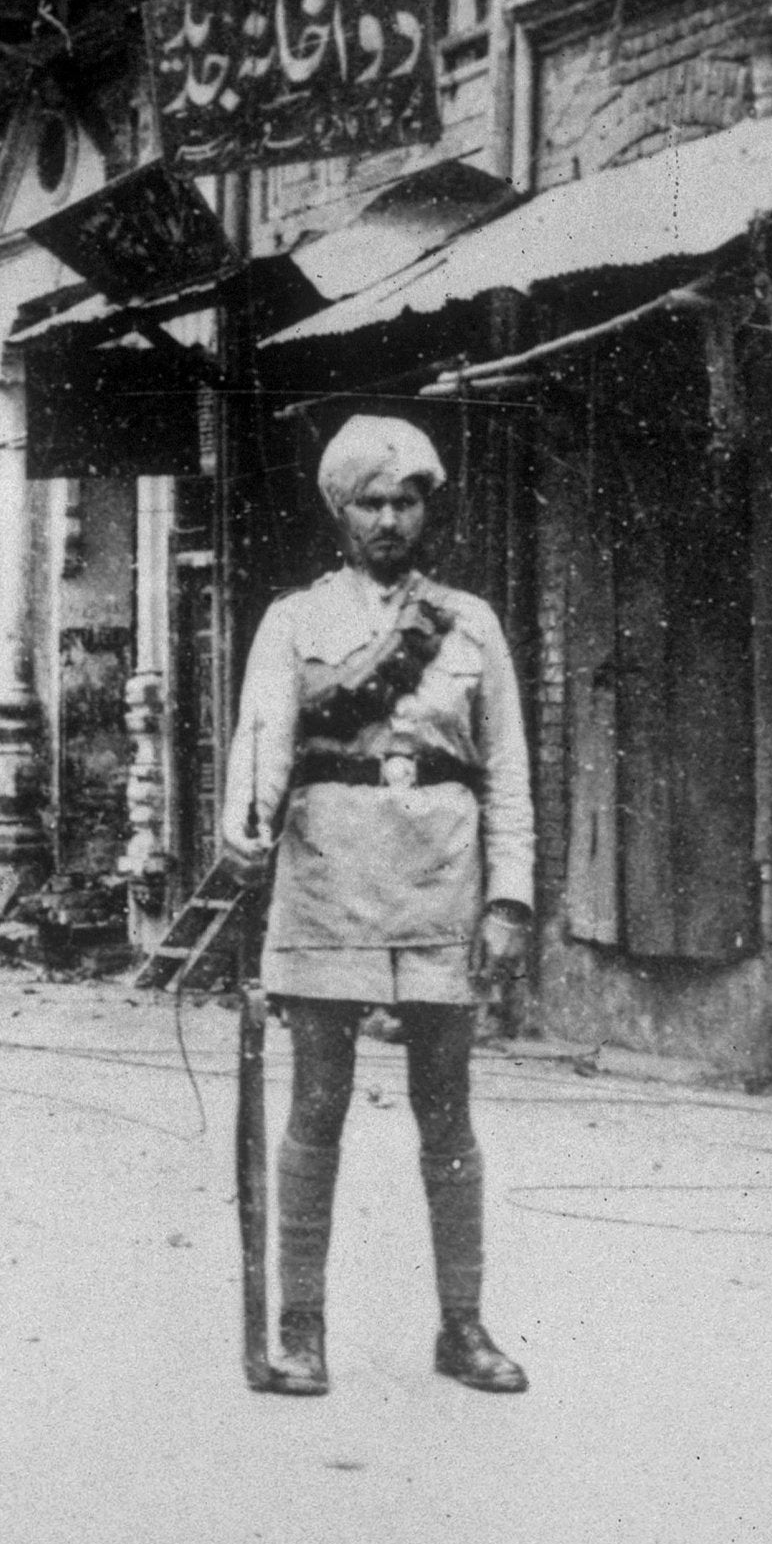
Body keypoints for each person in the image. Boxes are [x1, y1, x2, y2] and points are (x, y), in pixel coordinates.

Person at [221, 412, 534, 1397]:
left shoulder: (469, 621)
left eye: (405, 500)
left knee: (449, 1113)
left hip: (440, 886)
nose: (389, 518)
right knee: (317, 1105)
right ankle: (302, 1326)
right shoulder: (295, 621)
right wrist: (243, 831)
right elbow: (260, 742)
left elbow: (510, 776)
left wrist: (510, 899)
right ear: (339, 512)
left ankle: (463, 1323)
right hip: (326, 888)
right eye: (370, 501)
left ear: (423, 510)